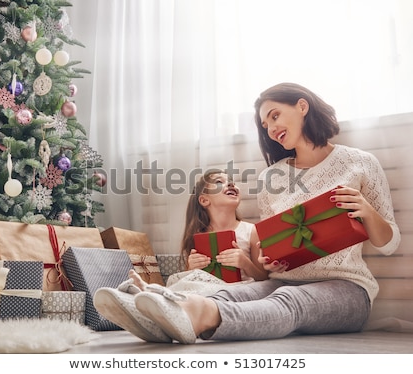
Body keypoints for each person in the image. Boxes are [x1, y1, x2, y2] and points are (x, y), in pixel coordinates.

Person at [96, 82, 401, 344]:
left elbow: (389, 243)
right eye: (265, 125)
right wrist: (268, 259)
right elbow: (269, 259)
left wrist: (366, 211)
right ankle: (156, 315)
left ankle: (197, 316)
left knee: (289, 302)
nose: (270, 129)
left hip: (347, 289)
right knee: (234, 294)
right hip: (283, 279)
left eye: (275, 116)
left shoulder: (359, 162)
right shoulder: (271, 178)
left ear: (302, 106)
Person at [94, 169, 286, 342]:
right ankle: (145, 308)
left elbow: (263, 278)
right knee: (188, 284)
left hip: (235, 290)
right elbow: (191, 278)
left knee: (199, 293)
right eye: (219, 182)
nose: (230, 184)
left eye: (231, 181)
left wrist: (244, 262)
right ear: (204, 200)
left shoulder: (251, 231)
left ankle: (150, 298)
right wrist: (191, 267)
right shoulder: (199, 236)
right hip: (204, 285)